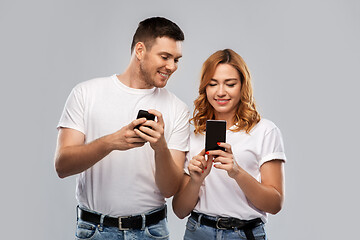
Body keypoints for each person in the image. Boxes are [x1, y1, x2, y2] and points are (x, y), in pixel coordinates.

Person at [54, 17, 190, 240]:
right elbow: (62, 166)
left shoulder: (178, 109)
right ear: (140, 50)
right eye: (165, 57)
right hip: (94, 230)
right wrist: (110, 143)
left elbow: (169, 190)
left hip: (151, 231)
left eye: (176, 59)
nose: (172, 66)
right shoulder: (86, 93)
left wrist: (160, 147)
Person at [172, 49, 286, 240]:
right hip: (198, 231)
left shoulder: (265, 131)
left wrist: (237, 172)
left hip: (244, 233)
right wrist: (196, 180)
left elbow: (274, 204)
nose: (221, 92)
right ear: (205, 88)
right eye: (213, 84)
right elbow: (180, 211)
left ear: (243, 86)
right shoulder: (195, 135)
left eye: (230, 84)